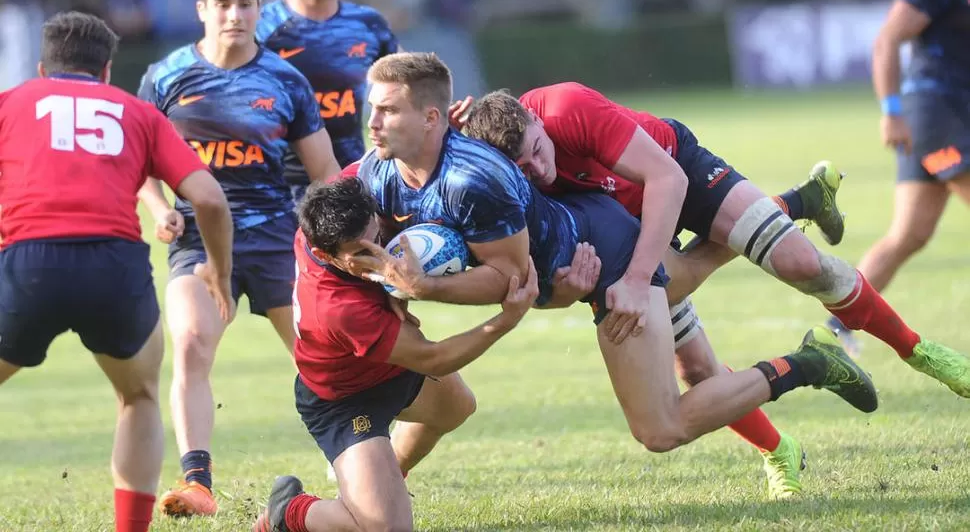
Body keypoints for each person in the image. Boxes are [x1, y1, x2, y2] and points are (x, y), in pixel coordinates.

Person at [343, 52, 878, 470]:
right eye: (373, 107)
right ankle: (796, 203)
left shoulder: (475, 180)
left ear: (430, 117)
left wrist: (425, 288)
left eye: (387, 109)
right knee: (687, 276)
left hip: (610, 252)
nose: (373, 121)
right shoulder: (382, 171)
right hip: (577, 250)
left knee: (661, 428)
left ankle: (809, 363)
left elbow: (515, 285)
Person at [458, 82, 970, 400]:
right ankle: (780, 454)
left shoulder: (567, 108)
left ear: (537, 123)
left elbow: (668, 182)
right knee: (696, 368)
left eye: (538, 152)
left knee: (799, 263)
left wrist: (638, 278)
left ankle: (919, 352)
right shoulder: (503, 177)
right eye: (523, 170)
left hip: (674, 168)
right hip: (622, 218)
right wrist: (572, 287)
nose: (540, 172)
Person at [0, 12, 233, 532]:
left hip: (30, 263)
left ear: (42, 68)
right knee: (139, 396)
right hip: (115, 267)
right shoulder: (136, 113)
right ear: (106, 72)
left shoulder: (11, 103)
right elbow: (211, 200)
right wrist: (219, 270)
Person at [138, 0, 341, 517]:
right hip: (195, 242)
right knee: (192, 343)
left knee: (318, 352)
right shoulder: (167, 76)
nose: (235, 15)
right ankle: (196, 483)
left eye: (246, 4)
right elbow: (139, 166)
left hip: (277, 235)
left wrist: (330, 236)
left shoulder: (286, 81)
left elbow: (323, 171)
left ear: (259, 7)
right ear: (201, 8)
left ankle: (350, 463)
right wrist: (159, 208)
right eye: (223, 4)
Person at [252, 177, 537, 532]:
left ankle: (384, 483)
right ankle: (289, 512)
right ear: (325, 255)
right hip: (344, 400)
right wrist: (505, 320)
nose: (381, 257)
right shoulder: (338, 308)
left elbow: (380, 165)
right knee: (388, 530)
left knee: (456, 407)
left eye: (377, 238)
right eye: (362, 254)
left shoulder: (323, 219)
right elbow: (433, 358)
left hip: (389, 367)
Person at [832, 0, 970, 348]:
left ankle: (836, 328)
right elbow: (887, 39)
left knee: (908, 235)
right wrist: (891, 111)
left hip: (951, 117)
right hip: (933, 117)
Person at [257, 0, 399, 200]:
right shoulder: (260, 28)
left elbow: (406, 85)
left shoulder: (368, 26)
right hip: (277, 191)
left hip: (350, 181)